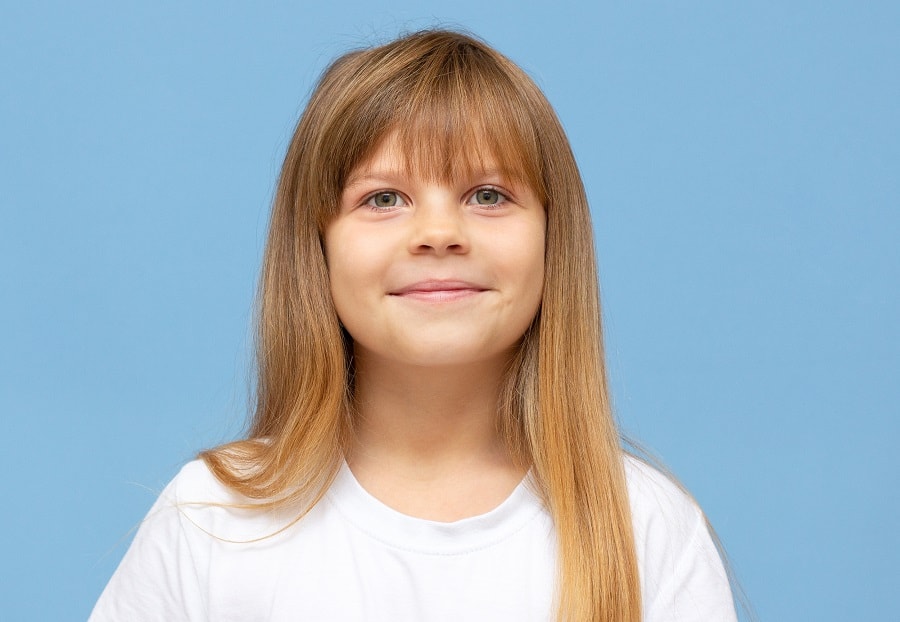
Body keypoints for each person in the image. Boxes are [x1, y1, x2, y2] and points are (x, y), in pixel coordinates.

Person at [91, 29, 738, 622]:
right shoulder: (213, 519)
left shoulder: (646, 528)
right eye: (383, 198)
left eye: (488, 195)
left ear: (553, 238)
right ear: (317, 246)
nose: (437, 233)